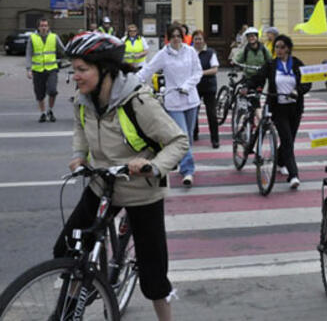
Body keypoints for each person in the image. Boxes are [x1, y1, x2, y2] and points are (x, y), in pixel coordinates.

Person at [60, 31, 189, 321]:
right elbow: (80, 127)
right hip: (102, 182)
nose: (75, 76)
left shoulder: (138, 102)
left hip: (140, 190)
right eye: (74, 69)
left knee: (153, 275)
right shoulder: (84, 98)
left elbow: (178, 141)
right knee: (66, 248)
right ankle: (89, 283)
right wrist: (78, 155)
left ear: (105, 70)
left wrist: (152, 166)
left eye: (82, 69)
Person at [138, 24, 202, 186]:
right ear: (168, 38)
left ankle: (183, 164)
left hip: (191, 99)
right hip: (173, 101)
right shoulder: (163, 54)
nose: (176, 39)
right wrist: (131, 82)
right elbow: (147, 70)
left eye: (178, 36)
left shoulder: (190, 51)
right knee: (183, 136)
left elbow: (198, 72)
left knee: (188, 139)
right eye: (172, 36)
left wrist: (187, 86)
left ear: (183, 37)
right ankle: (188, 171)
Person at [245, 34, 311, 189]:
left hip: (295, 108)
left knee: (290, 139)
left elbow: (307, 82)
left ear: (288, 48)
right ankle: (293, 175)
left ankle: (281, 161)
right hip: (278, 108)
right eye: (276, 47)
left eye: (282, 47)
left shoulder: (296, 63)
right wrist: (247, 87)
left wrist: (297, 91)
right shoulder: (271, 65)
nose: (278, 50)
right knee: (287, 140)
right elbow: (258, 78)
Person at [26, 18, 66, 122]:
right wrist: (28, 69)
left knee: (52, 91)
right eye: (42, 26)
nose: (44, 28)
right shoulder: (32, 38)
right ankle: (43, 113)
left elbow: (63, 50)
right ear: (38, 27)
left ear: (48, 27)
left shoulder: (54, 37)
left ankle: (50, 110)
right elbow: (29, 54)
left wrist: (74, 58)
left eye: (46, 26)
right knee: (40, 93)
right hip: (37, 70)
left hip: (51, 69)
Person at [192, 30, 220, 149]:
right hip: (194, 87)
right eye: (196, 39)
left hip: (209, 86)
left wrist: (200, 73)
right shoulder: (190, 52)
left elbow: (214, 69)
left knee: (211, 114)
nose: (198, 41)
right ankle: (194, 133)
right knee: (194, 112)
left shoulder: (210, 53)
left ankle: (215, 139)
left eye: (200, 39)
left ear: (204, 41)